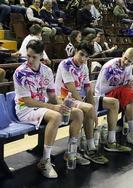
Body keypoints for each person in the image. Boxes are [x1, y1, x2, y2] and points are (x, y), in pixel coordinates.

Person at [13, 40, 86, 178]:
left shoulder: (46, 71)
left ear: (41, 56)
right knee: (56, 116)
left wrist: (63, 105)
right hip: (25, 109)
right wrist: (53, 107)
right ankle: (45, 161)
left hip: (42, 106)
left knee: (77, 113)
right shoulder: (20, 73)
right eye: (28, 56)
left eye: (33, 57)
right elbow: (27, 100)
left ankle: (71, 152)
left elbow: (52, 95)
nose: (29, 59)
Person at [55, 41, 131, 164]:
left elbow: (88, 88)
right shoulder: (65, 64)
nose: (83, 59)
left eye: (86, 57)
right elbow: (72, 89)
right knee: (88, 109)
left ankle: (111, 142)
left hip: (80, 99)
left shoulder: (84, 66)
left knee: (114, 103)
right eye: (81, 54)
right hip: (65, 100)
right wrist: (91, 109)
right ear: (75, 51)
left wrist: (92, 106)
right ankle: (90, 149)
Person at [95, 48, 133, 148]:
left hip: (120, 92)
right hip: (104, 96)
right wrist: (124, 86)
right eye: (125, 58)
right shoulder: (109, 67)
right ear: (123, 54)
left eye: (130, 61)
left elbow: (131, 80)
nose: (126, 62)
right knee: (128, 94)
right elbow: (102, 89)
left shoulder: (128, 66)